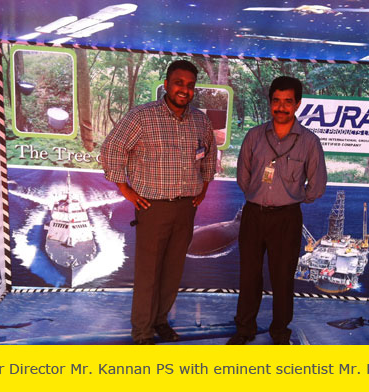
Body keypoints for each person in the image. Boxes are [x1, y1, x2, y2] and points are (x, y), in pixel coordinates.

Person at [101, 60, 216, 344]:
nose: (184, 90)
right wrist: (125, 189)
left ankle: (161, 321)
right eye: (178, 83)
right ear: (166, 85)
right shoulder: (142, 116)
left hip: (186, 208)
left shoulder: (200, 121)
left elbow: (209, 156)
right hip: (152, 208)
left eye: (190, 85)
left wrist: (203, 187)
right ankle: (142, 332)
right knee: (148, 273)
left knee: (173, 270)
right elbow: (112, 149)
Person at [228, 76, 327, 345]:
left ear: (297, 104)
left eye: (288, 102)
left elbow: (317, 185)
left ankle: (280, 332)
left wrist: (291, 198)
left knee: (283, 278)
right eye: (276, 101)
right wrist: (259, 195)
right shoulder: (254, 136)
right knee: (249, 275)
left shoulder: (309, 141)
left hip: (287, 219)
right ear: (270, 102)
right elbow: (243, 177)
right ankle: (244, 329)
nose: (281, 107)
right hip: (253, 215)